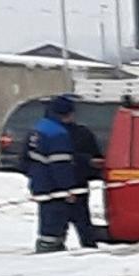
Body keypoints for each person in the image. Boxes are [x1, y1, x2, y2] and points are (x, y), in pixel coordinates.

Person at [27, 96, 94, 252]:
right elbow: (60, 166)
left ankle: (46, 247)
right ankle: (49, 254)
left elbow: (25, 160)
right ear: (66, 114)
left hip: (41, 186)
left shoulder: (38, 129)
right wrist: (68, 190)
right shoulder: (58, 134)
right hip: (55, 190)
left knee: (47, 225)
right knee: (54, 226)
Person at [64, 112, 105, 249]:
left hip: (69, 182)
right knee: (80, 219)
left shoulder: (81, 133)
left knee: (78, 219)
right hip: (74, 181)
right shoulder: (80, 133)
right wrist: (89, 162)